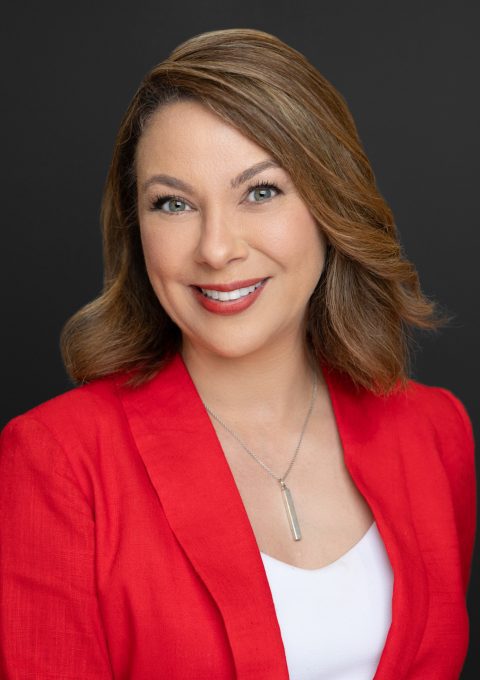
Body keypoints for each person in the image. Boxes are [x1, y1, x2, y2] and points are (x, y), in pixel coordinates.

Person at [0, 28, 475, 680]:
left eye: (260, 191)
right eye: (173, 203)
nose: (216, 249)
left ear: (329, 202)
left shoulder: (435, 433)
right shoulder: (59, 463)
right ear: (137, 230)